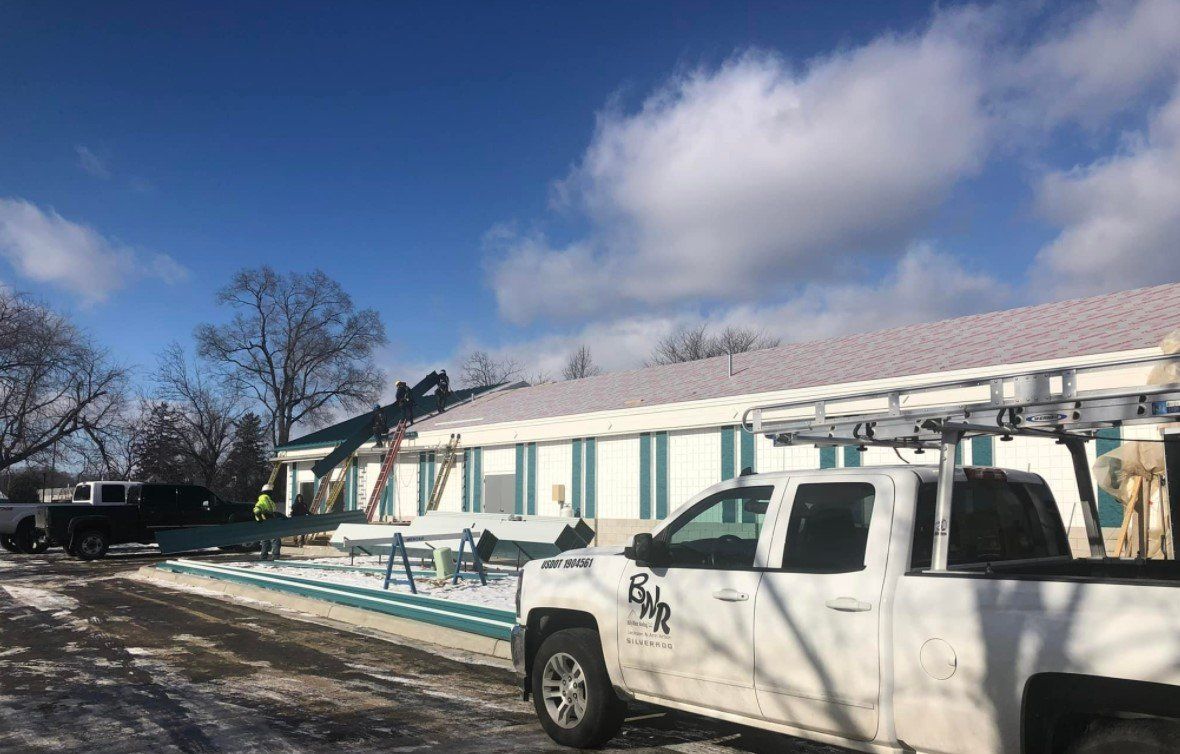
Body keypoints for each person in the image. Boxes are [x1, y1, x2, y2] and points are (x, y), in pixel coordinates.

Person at [255, 484, 282, 561]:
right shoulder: (264, 500)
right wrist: (260, 517)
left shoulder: (268, 501)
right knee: (276, 540)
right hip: (269, 524)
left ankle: (263, 557)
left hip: (267, 523)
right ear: (268, 492)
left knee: (265, 541)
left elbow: (272, 512)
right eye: (271, 492)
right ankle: (275, 557)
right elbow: (257, 509)